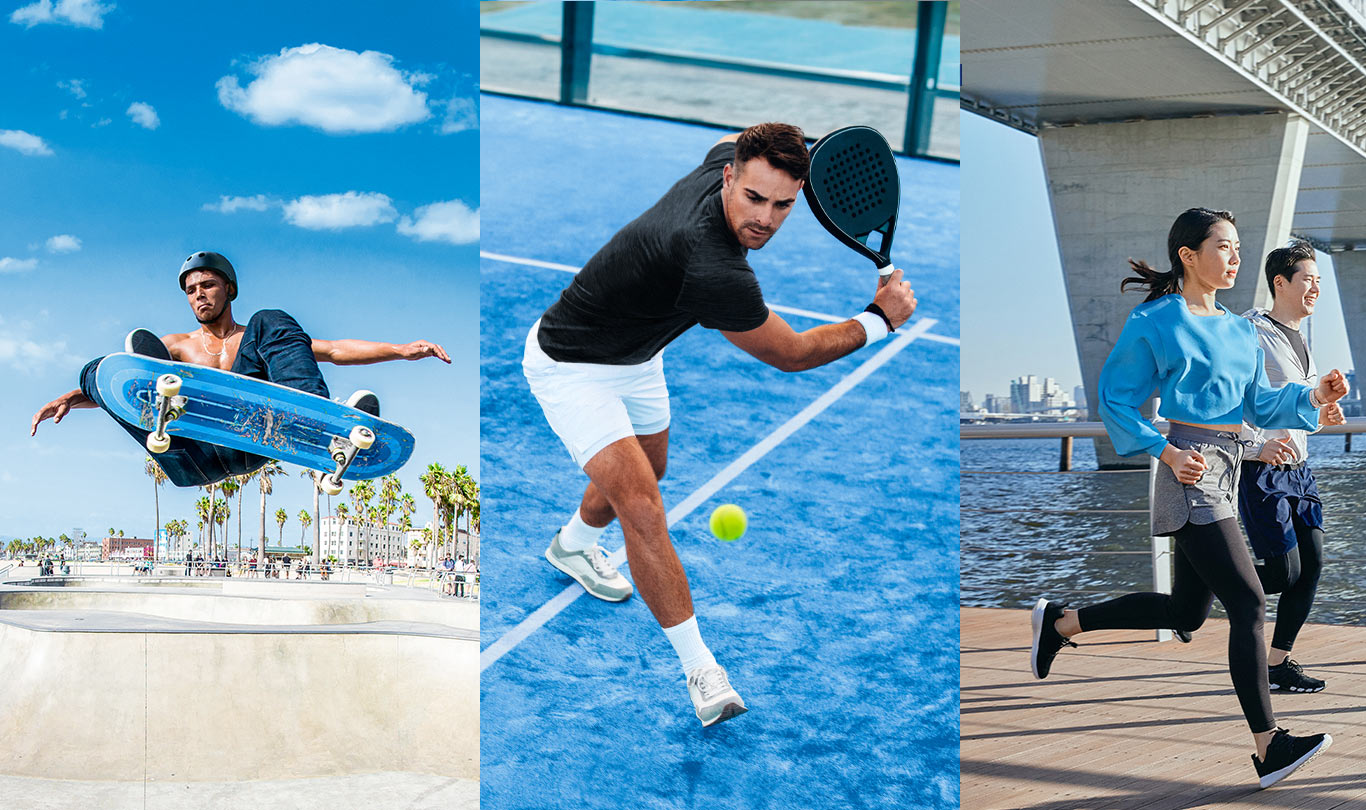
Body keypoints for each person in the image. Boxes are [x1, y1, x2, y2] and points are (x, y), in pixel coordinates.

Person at [523, 123, 918, 727]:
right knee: (643, 504)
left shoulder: (721, 158)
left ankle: (571, 545)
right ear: (730, 177)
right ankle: (702, 670)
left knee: (650, 468)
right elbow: (792, 353)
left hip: (637, 352)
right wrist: (877, 320)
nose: (765, 218)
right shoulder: (712, 264)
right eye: (755, 198)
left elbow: (745, 133)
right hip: (572, 366)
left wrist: (806, 142)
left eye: (783, 204)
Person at [1027, 208, 1347, 788]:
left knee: (1186, 614)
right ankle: (1268, 746)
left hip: (1229, 467)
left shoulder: (1237, 329)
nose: (1234, 257)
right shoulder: (1155, 320)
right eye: (1223, 246)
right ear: (1188, 255)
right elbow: (1117, 401)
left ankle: (1061, 623)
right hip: (1189, 470)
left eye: (1238, 248)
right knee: (1250, 601)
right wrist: (1166, 451)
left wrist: (1312, 394)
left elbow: (1261, 407)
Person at [29, 251, 451, 487]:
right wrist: (72, 396)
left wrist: (400, 349)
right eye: (191, 290)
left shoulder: (262, 337)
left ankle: (316, 422)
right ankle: (128, 392)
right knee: (103, 366)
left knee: (274, 319)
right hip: (187, 456)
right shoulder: (175, 347)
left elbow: (337, 350)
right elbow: (126, 384)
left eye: (208, 285)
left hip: (253, 444)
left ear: (229, 288)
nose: (199, 296)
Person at [1238, 241, 1340, 694]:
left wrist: (1321, 414)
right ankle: (1210, 581)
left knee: (1312, 565)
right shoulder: (1250, 331)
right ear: (1280, 282)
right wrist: (1255, 447)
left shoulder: (1303, 339)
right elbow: (1232, 400)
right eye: (1307, 279)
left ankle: (1278, 663)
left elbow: (1296, 411)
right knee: (1282, 573)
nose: (1316, 288)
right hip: (1261, 470)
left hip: (1299, 470)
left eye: (1319, 281)